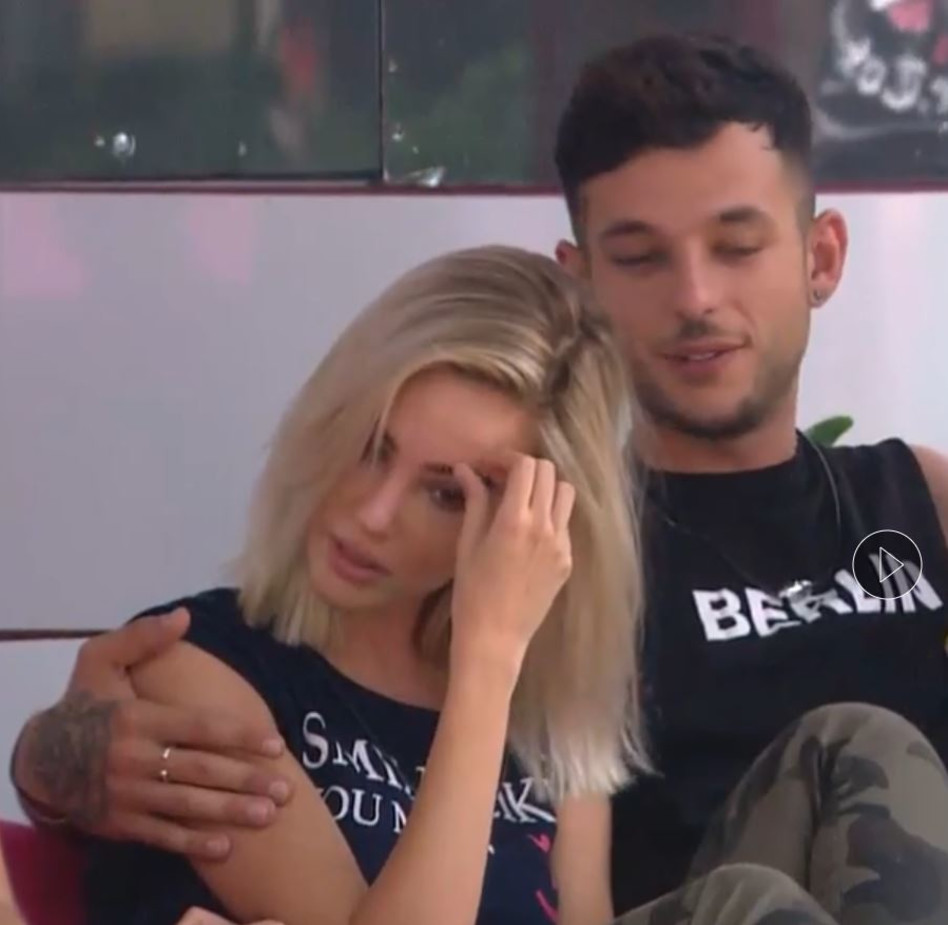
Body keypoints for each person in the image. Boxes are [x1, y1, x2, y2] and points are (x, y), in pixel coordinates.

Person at [9, 29, 948, 925]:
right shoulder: (539, 572)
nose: (697, 297)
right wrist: (57, 758)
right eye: (641, 257)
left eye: (737, 247)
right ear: (582, 283)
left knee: (859, 745)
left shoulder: (917, 501)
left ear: (821, 257)